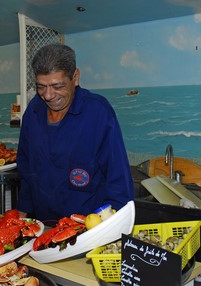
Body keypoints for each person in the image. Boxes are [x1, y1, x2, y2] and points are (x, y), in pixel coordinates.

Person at [16, 43, 134, 221]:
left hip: (87, 229)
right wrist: (23, 208)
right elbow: (26, 167)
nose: (48, 95)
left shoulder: (98, 112)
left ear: (75, 77)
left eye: (57, 86)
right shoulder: (33, 111)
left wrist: (116, 227)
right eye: (41, 86)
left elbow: (118, 178)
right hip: (44, 224)